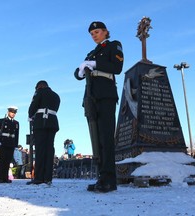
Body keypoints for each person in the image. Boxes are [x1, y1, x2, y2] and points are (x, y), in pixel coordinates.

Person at [74, 21, 124, 192]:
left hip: (106, 95)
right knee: (95, 137)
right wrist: (79, 71)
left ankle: (109, 180)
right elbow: (78, 73)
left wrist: (94, 65)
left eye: (96, 32)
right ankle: (101, 177)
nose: (94, 35)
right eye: (91, 33)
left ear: (105, 32)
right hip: (91, 97)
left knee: (106, 137)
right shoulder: (91, 52)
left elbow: (117, 67)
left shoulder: (114, 46)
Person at [26, 80, 60, 185]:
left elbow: (32, 109)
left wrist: (31, 115)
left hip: (41, 123)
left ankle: (39, 177)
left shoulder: (39, 92)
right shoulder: (56, 96)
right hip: (52, 122)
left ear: (39, 87)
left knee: (40, 150)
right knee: (49, 150)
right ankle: (48, 178)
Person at [0, 106, 19, 183]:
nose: (13, 114)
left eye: (14, 113)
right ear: (8, 112)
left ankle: (5, 178)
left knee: (8, 161)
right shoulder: (1, 121)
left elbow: (16, 135)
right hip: (3, 143)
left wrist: (16, 145)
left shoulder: (16, 123)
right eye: (12, 112)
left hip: (11, 144)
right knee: (2, 161)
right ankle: (0, 178)